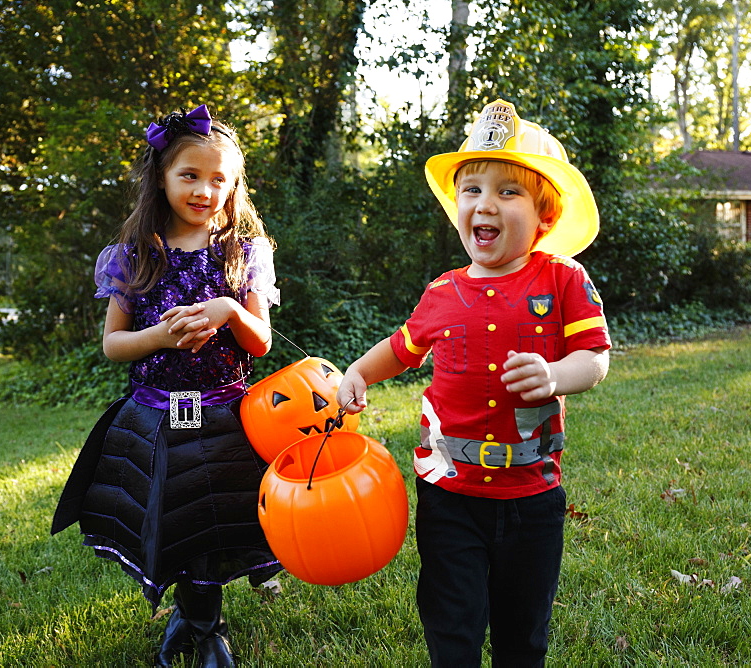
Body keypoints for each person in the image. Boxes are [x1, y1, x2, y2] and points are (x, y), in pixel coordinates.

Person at [336, 99, 611, 667]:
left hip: (531, 495)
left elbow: (594, 357)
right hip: (449, 494)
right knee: (451, 624)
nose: (486, 204)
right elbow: (400, 348)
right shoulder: (442, 292)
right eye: (472, 190)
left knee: (522, 633)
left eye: (508, 192)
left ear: (545, 217)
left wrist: (556, 374)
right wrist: (359, 372)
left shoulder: (562, 279)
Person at [51, 104, 281, 668]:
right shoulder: (135, 257)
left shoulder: (243, 252)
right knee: (180, 511)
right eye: (190, 175)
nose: (205, 190)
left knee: (217, 516)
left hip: (228, 408)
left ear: (233, 187)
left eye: (219, 180)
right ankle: (198, 622)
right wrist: (160, 336)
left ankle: (204, 627)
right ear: (162, 177)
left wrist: (229, 308)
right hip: (166, 409)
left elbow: (261, 344)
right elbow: (114, 345)